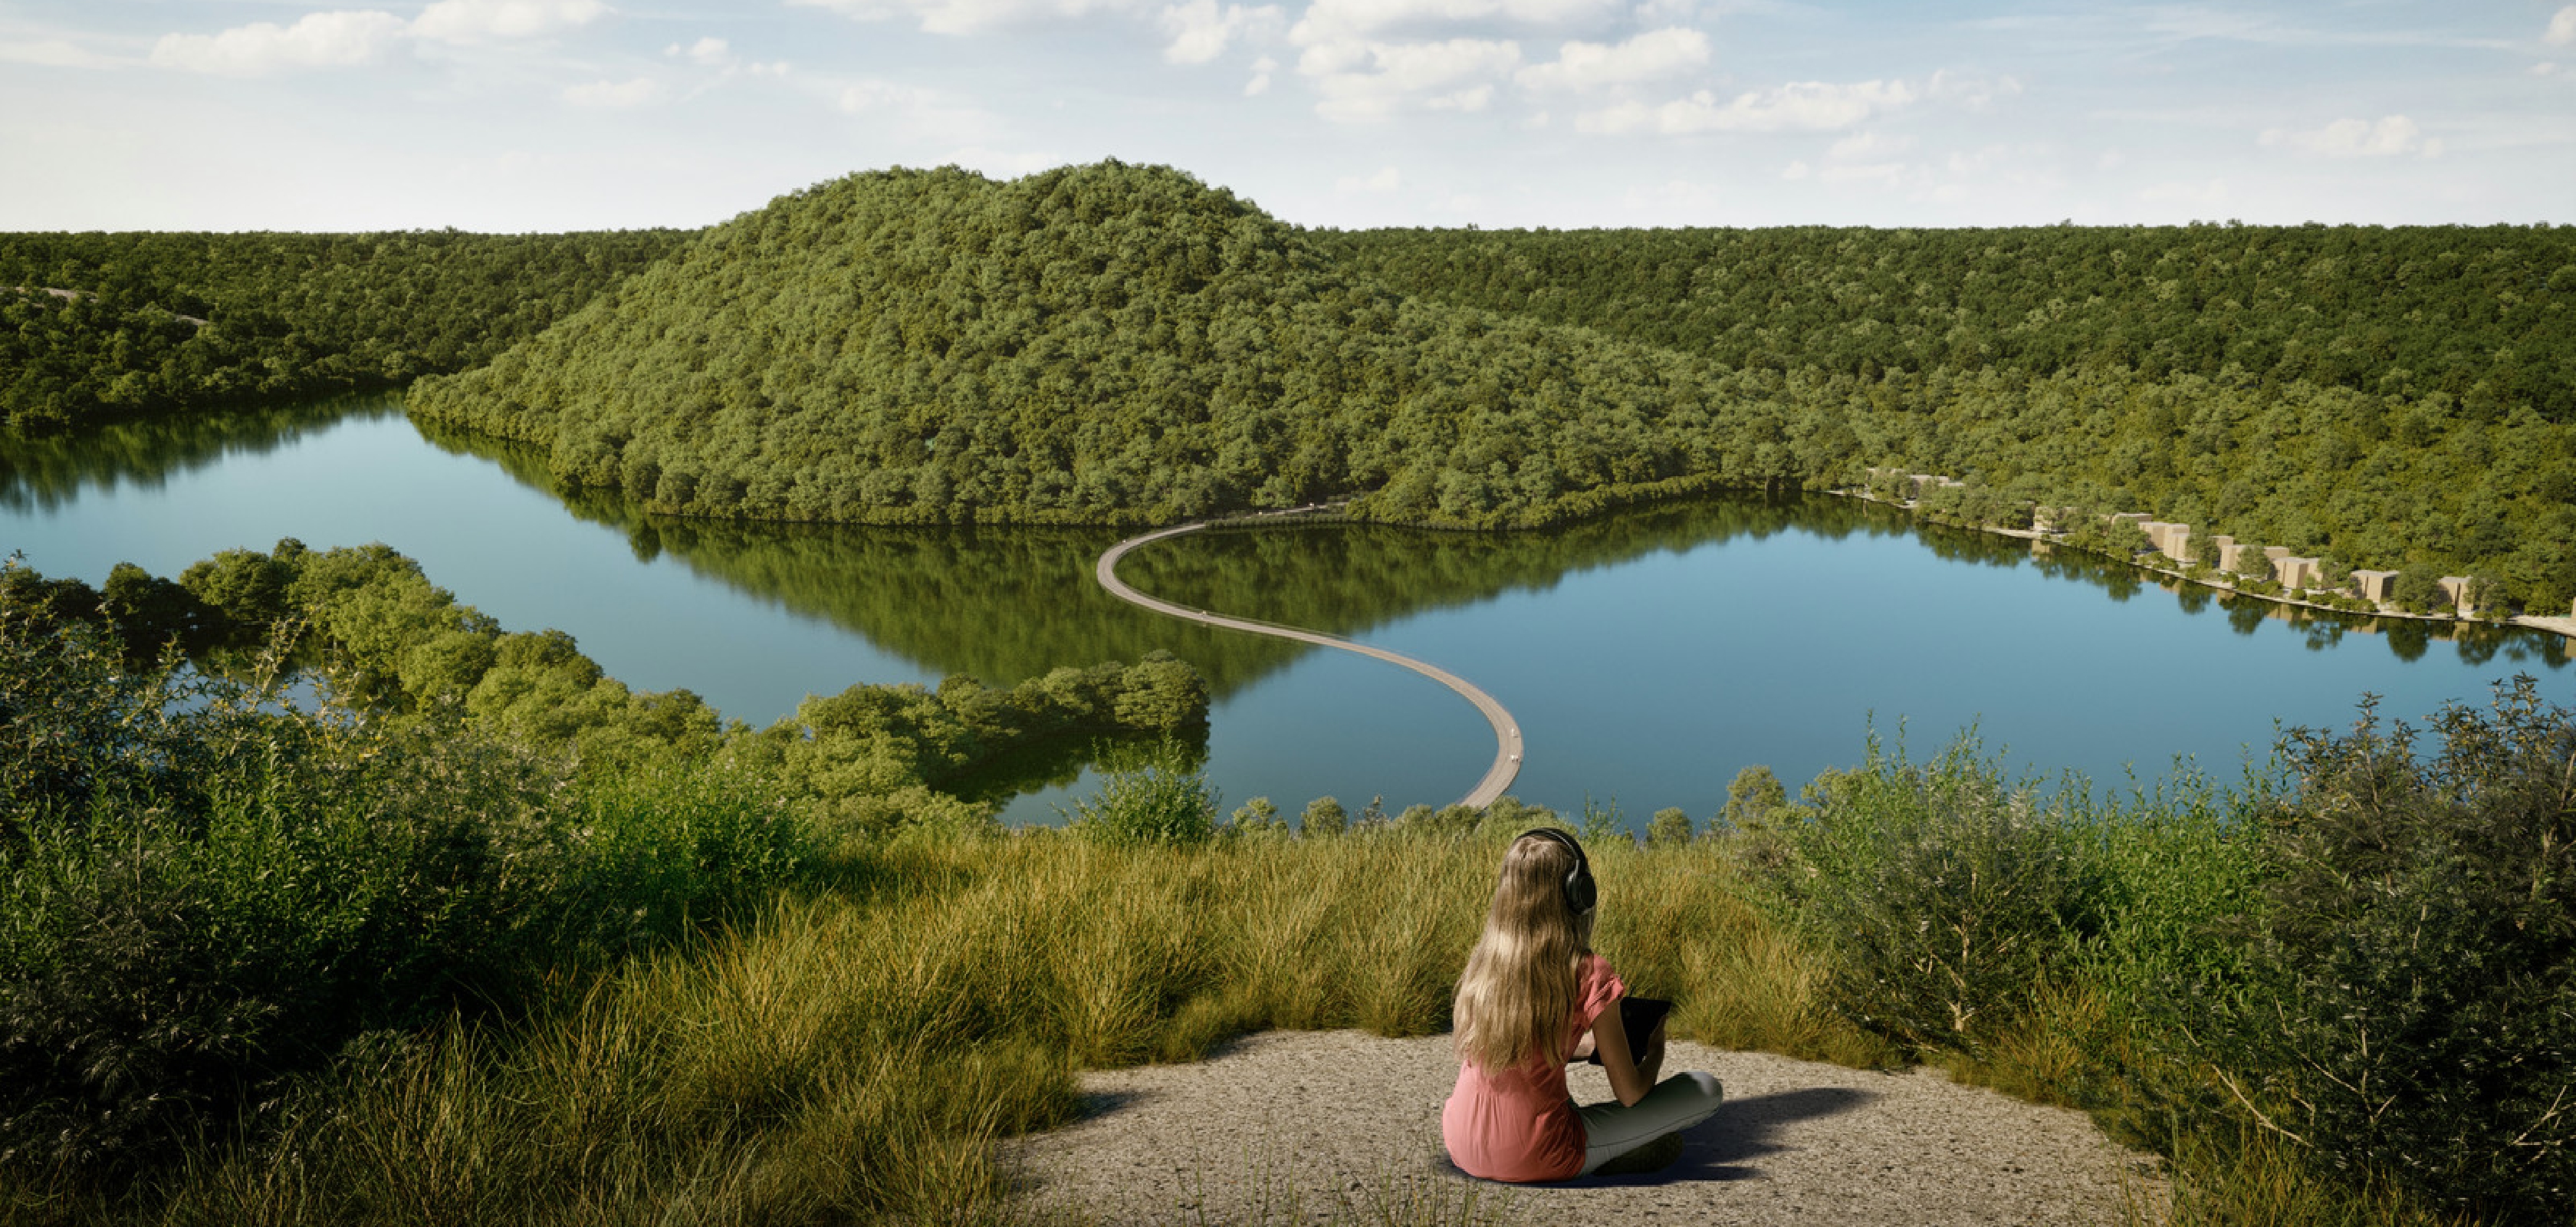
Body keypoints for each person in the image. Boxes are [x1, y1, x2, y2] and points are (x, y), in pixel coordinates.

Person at [1441, 827, 1724, 1182]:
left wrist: (1590, 1046)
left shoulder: (1483, 963)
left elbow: (1518, 1048)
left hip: (1461, 1144)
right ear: (1579, 894)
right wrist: (1655, 1051)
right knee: (1705, 1087)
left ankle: (1614, 1149)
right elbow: (1631, 1094)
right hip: (1538, 1155)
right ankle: (1609, 1155)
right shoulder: (1588, 971)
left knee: (1557, 1101)